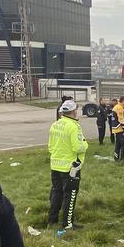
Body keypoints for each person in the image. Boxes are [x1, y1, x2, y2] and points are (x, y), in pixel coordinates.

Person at [47, 99, 88, 231]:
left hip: (55, 165)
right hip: (71, 167)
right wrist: (85, 144)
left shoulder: (55, 125)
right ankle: (67, 223)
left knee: (56, 192)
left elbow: (50, 146)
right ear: (73, 111)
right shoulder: (74, 126)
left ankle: (52, 220)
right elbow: (78, 147)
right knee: (70, 195)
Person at [111, 97, 124, 161]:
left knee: (118, 144)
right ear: (123, 101)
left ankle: (116, 157)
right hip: (119, 128)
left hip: (116, 128)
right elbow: (121, 120)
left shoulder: (117, 106)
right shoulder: (119, 107)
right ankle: (123, 158)